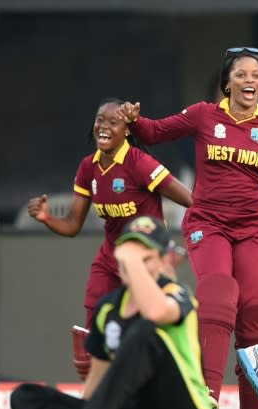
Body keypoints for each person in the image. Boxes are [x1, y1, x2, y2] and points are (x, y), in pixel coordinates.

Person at [117, 47, 258, 409]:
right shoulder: (204, 115)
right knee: (217, 293)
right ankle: (206, 392)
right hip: (207, 224)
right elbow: (155, 132)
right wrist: (134, 119)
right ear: (227, 82)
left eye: (257, 75)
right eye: (242, 74)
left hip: (252, 229)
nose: (250, 81)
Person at [10, 215, 214, 409]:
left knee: (146, 332)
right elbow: (97, 380)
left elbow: (155, 311)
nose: (132, 264)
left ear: (162, 261)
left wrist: (132, 259)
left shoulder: (177, 294)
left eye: (145, 258)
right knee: (26, 398)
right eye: (127, 258)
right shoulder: (109, 308)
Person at [26, 97, 192, 380]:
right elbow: (72, 225)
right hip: (110, 260)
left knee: (144, 336)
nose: (103, 127)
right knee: (93, 340)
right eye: (99, 120)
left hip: (146, 266)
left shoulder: (139, 163)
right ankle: (97, 402)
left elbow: (191, 200)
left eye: (113, 122)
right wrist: (47, 218)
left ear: (127, 130)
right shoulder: (88, 167)